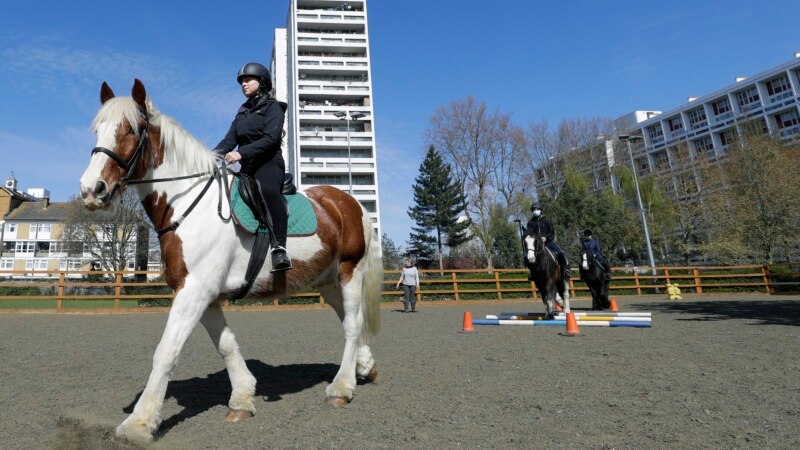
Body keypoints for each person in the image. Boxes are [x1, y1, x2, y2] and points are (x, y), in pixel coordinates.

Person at [214, 62, 291, 272]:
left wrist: (241, 153)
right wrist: (208, 157)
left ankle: (280, 248)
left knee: (267, 191)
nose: (243, 84)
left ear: (262, 82)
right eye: (241, 81)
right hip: (247, 167)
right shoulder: (242, 113)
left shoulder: (274, 107)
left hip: (269, 163)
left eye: (248, 80)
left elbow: (271, 139)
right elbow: (228, 142)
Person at [526, 204, 571, 279]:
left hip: (548, 242)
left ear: (541, 211)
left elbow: (552, 232)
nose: (535, 211)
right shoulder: (530, 222)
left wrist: (546, 238)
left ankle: (566, 270)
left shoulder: (546, 221)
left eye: (536, 209)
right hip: (535, 244)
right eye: (533, 210)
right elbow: (529, 233)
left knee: (560, 253)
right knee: (526, 256)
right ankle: (531, 273)